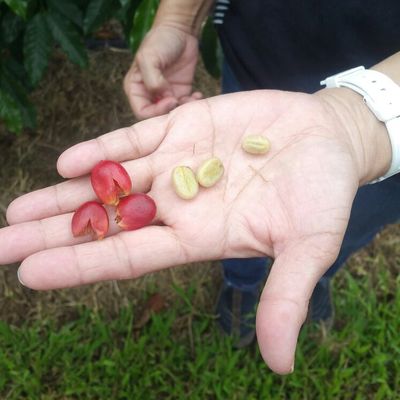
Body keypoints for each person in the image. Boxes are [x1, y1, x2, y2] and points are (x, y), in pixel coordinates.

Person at [0, 0, 399, 376]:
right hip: (257, 62)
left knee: (346, 224)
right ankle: (241, 283)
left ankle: (320, 275)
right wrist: (178, 18)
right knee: (244, 228)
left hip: (388, 128)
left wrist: (356, 121)